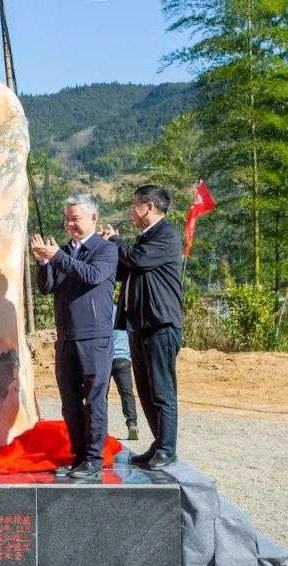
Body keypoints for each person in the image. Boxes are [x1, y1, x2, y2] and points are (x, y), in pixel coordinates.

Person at [31, 193, 118, 480]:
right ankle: (79, 455)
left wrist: (58, 257)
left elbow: (91, 275)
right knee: (69, 400)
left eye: (76, 218)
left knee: (94, 398)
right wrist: (44, 263)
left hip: (94, 337)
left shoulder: (105, 250)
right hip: (66, 336)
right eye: (67, 218)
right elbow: (47, 287)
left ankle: (94, 458)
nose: (70, 224)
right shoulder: (65, 251)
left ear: (93, 218)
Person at [101, 185, 183, 470]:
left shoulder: (166, 236)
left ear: (148, 206)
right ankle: (158, 444)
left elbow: (136, 259)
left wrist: (115, 240)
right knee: (146, 392)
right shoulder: (144, 238)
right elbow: (125, 267)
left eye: (134, 205)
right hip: (139, 324)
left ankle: (168, 449)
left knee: (162, 390)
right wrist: (109, 247)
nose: (131, 211)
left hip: (160, 324)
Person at [110, 305, 139, 440]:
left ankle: (100, 427)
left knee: (100, 394)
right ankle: (132, 423)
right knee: (127, 392)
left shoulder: (100, 312)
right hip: (123, 359)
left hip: (105, 359)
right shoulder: (122, 313)